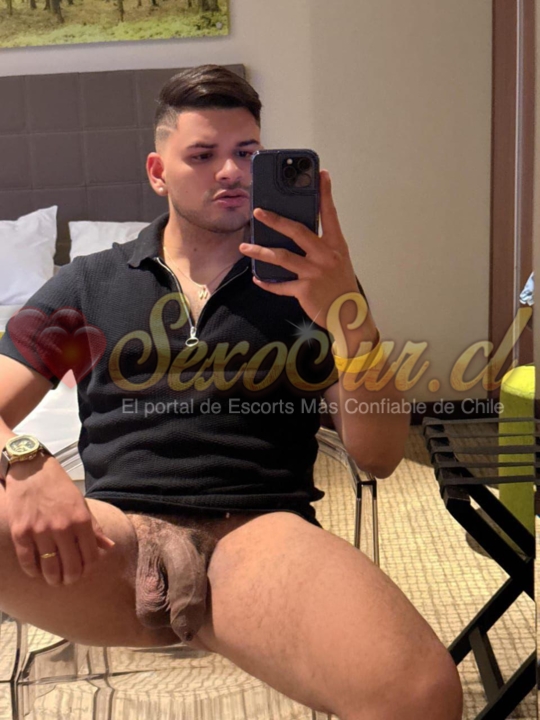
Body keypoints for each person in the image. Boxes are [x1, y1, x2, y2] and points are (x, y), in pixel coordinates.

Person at [0, 65, 462, 720]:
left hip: (258, 535)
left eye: (247, 153)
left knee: (421, 696)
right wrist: (26, 462)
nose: (230, 172)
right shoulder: (87, 283)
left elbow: (380, 454)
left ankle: (235, 621)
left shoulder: (310, 288)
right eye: (202, 155)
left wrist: (348, 309)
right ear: (158, 172)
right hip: (112, 541)